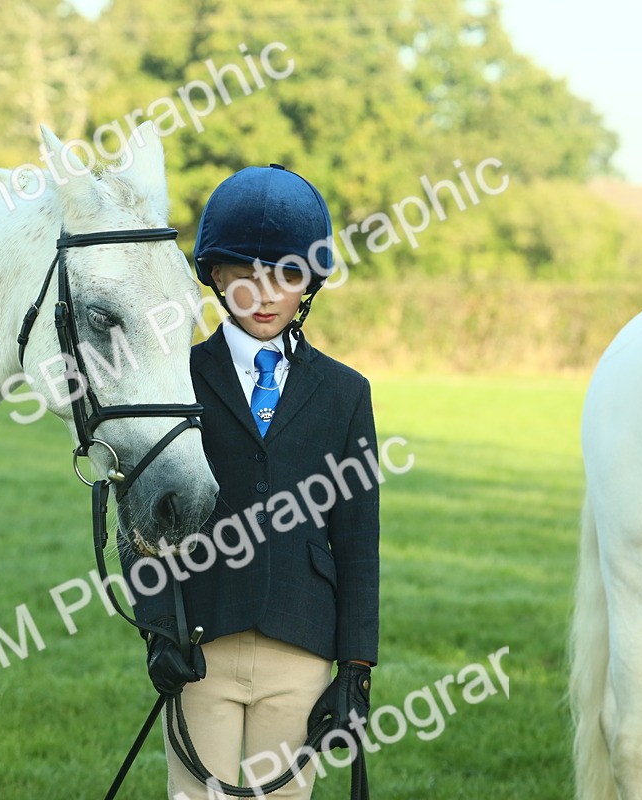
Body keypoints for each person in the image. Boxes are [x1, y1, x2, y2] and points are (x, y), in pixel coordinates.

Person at [125, 164, 380, 799]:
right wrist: (159, 630)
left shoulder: (347, 394)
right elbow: (142, 521)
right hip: (202, 644)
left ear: (310, 284)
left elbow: (358, 539)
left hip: (302, 649)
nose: (265, 295)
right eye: (247, 275)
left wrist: (356, 669)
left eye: (287, 276)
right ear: (214, 274)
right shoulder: (174, 379)